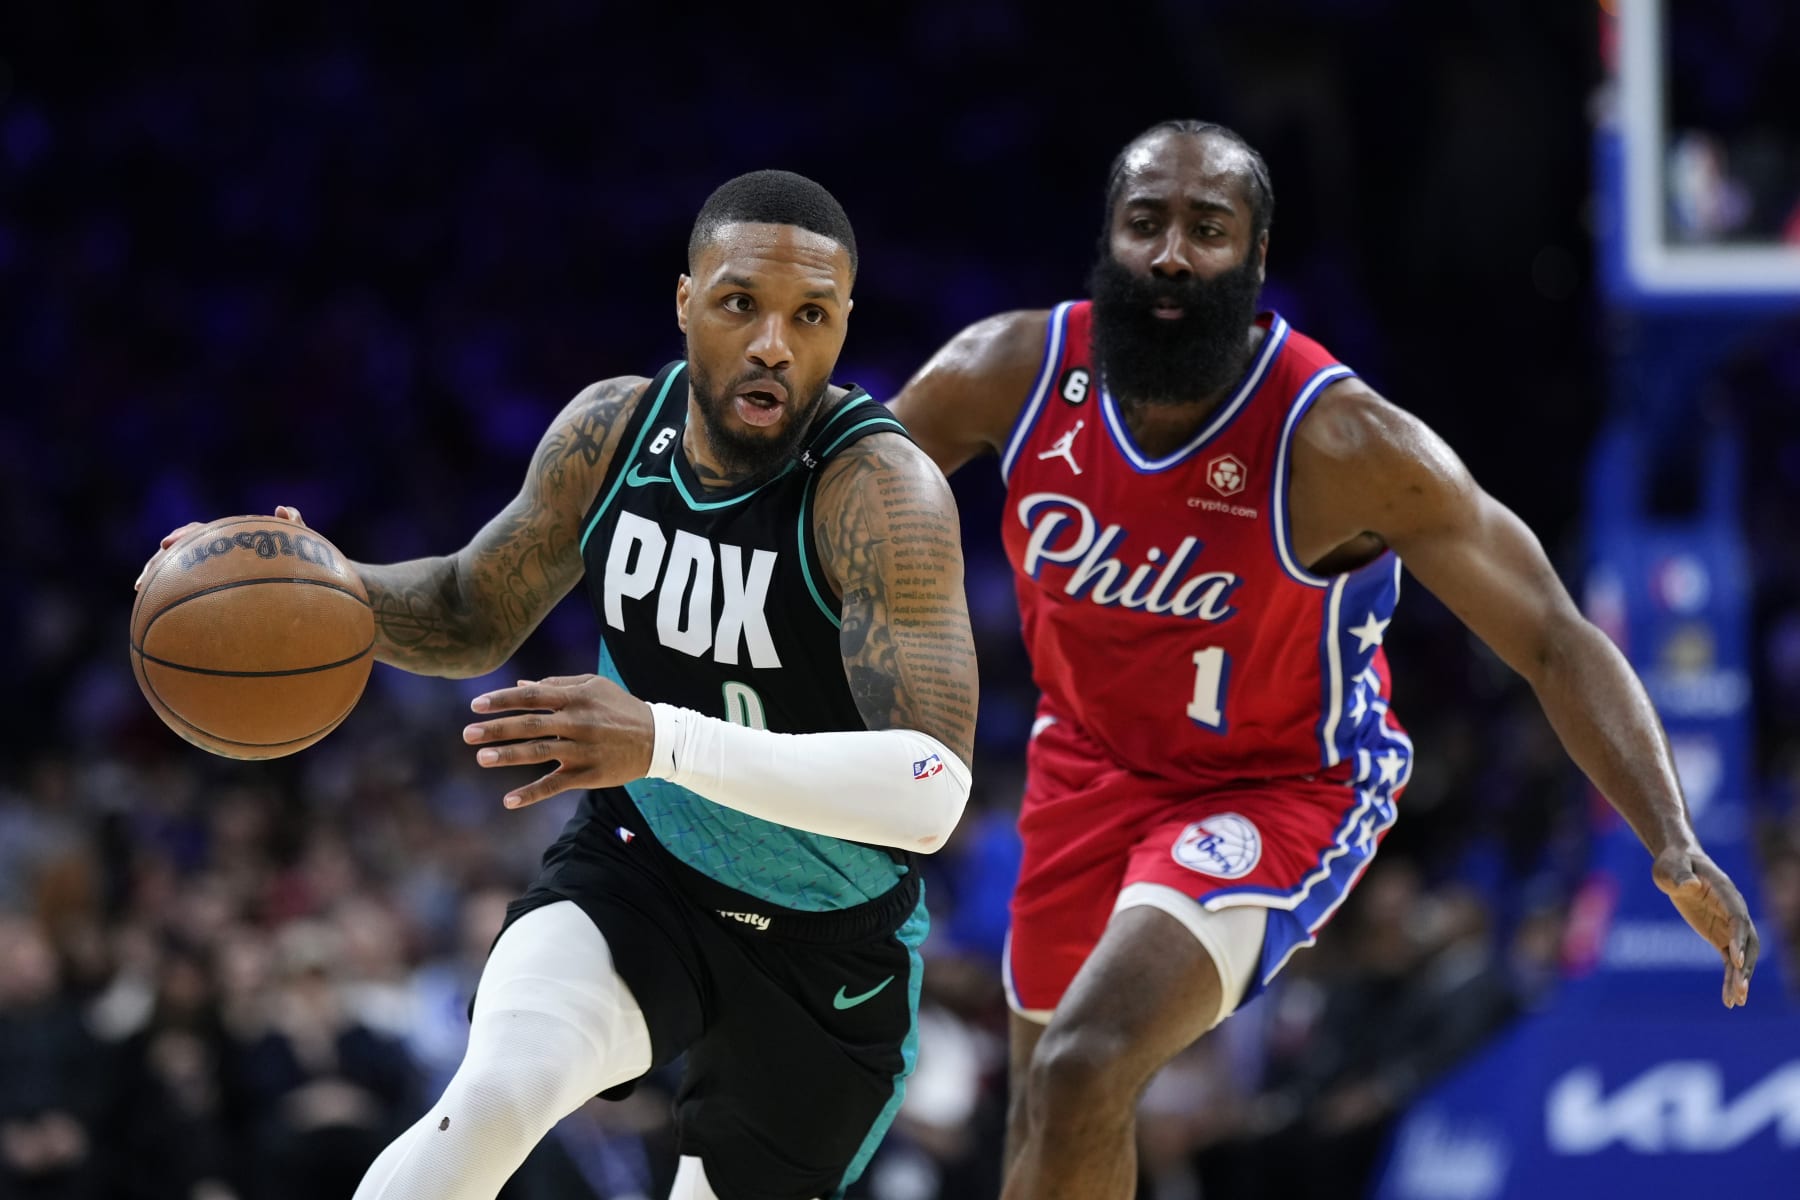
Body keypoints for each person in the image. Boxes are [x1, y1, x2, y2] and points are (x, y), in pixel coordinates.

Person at [889, 119, 1759, 1200]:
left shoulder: (1346, 445)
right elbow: (834, 510)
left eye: (1207, 230)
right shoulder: (1007, 374)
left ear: (1254, 264)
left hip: (1276, 790)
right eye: (1145, 222)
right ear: (1105, 240)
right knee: (1042, 1110)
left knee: (1085, 1060)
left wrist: (1670, 840)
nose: (1170, 253)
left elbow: (1550, 632)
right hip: (1087, 766)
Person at [136, 170, 980, 1200]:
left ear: (845, 324)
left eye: (810, 317)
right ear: (685, 304)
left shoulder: (882, 493)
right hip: (644, 873)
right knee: (493, 1096)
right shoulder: (613, 434)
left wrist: (662, 740)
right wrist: (313, 586)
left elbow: (933, 790)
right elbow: (468, 609)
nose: (773, 344)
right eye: (739, 304)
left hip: (826, 947)